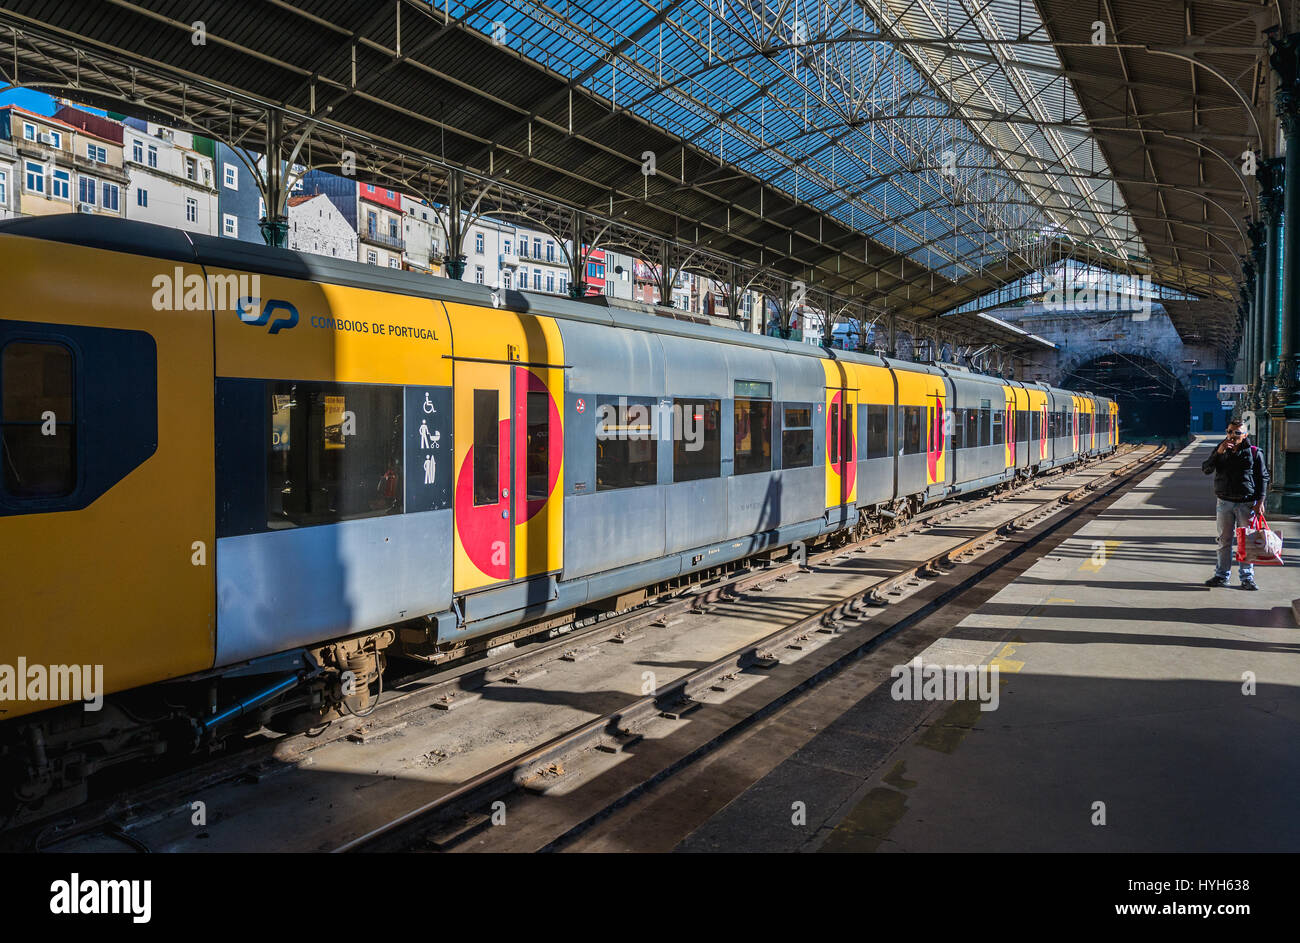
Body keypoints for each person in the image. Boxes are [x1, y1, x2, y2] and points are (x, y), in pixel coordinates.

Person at [1201, 419, 1269, 590]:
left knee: (1246, 542)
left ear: (1245, 435)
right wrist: (1218, 453)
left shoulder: (1254, 452)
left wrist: (1260, 501)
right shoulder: (1221, 449)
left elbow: (1263, 477)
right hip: (1224, 502)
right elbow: (1206, 469)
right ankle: (1221, 575)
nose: (1233, 435)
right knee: (1224, 541)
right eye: (1230, 431)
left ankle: (1247, 578)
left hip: (1246, 503)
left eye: (1237, 433)